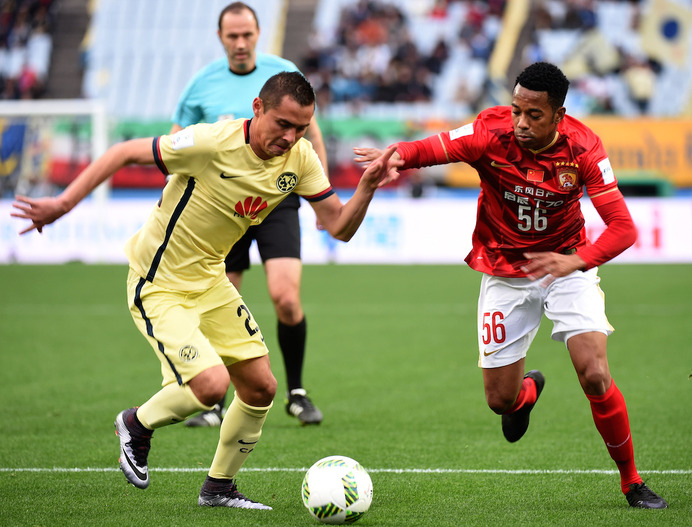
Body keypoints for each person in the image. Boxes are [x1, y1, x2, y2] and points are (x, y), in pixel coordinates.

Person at [12, 71, 398, 509]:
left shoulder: (302, 159)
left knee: (260, 387)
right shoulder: (210, 143)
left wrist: (366, 186)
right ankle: (135, 424)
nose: (290, 137)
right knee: (211, 384)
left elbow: (339, 226)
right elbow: (122, 152)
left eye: (301, 128)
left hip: (210, 282)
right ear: (257, 109)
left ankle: (218, 488)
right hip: (158, 282)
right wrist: (61, 205)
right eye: (282, 125)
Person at [354, 62, 668, 510]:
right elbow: (436, 146)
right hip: (505, 270)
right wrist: (396, 157)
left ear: (559, 114)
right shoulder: (491, 131)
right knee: (500, 400)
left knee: (595, 374)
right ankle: (527, 393)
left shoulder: (584, 149)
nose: (521, 122)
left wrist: (575, 261)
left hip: (567, 266)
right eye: (516, 109)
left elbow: (623, 228)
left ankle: (632, 481)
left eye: (533, 115)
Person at [171, 2, 328, 427]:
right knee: (222, 300)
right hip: (223, 207)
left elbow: (310, 135)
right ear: (221, 37)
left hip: (277, 199)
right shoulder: (201, 84)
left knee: (286, 297)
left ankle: (295, 392)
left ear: (259, 34)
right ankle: (215, 400)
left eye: (247, 35)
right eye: (232, 36)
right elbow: (176, 141)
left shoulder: (282, 73)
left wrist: (322, 196)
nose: (241, 43)